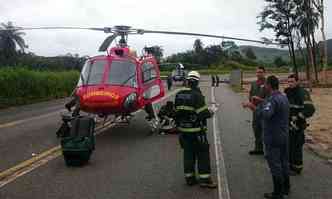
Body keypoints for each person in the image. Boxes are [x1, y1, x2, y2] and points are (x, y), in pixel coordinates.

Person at [174, 71, 217, 188]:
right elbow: (203, 114)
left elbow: (176, 113)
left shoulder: (179, 94)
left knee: (188, 154)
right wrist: (212, 111)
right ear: (197, 82)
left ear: (187, 81)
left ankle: (190, 178)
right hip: (197, 131)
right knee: (203, 155)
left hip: (184, 131)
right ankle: (204, 179)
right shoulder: (197, 95)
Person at [260, 75, 290, 199]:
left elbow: (267, 114)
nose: (264, 86)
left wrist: (256, 108)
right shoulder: (283, 97)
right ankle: (286, 188)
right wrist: (263, 102)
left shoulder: (271, 99)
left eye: (265, 84)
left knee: (275, 164)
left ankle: (278, 193)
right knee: (284, 162)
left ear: (270, 85)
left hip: (273, 137)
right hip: (283, 135)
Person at [284, 74, 314, 175]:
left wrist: (298, 117)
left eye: (292, 81)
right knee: (289, 145)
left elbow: (310, 109)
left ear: (297, 82)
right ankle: (290, 165)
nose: (290, 84)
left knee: (296, 146)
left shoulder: (302, 93)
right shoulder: (288, 92)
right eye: (288, 82)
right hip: (289, 125)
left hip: (298, 125)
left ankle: (297, 168)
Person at [242, 66, 268, 155]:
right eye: (257, 72)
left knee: (265, 131)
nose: (258, 74)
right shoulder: (254, 83)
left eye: (260, 72)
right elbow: (251, 94)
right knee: (256, 129)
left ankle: (267, 151)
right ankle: (258, 148)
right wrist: (250, 103)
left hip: (265, 110)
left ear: (264, 73)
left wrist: (260, 100)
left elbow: (270, 98)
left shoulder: (268, 83)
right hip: (255, 110)